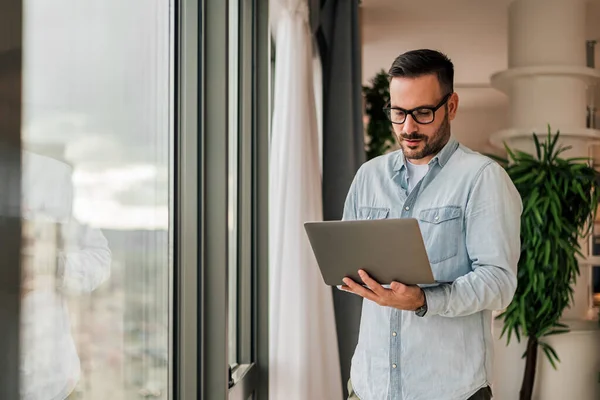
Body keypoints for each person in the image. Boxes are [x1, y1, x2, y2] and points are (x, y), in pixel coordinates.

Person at [340, 49, 522, 400]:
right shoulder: (368, 177)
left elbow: (499, 283)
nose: (408, 127)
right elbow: (349, 259)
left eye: (422, 113)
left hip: (449, 391)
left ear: (451, 106)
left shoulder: (483, 179)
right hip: (369, 387)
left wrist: (425, 300)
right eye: (398, 113)